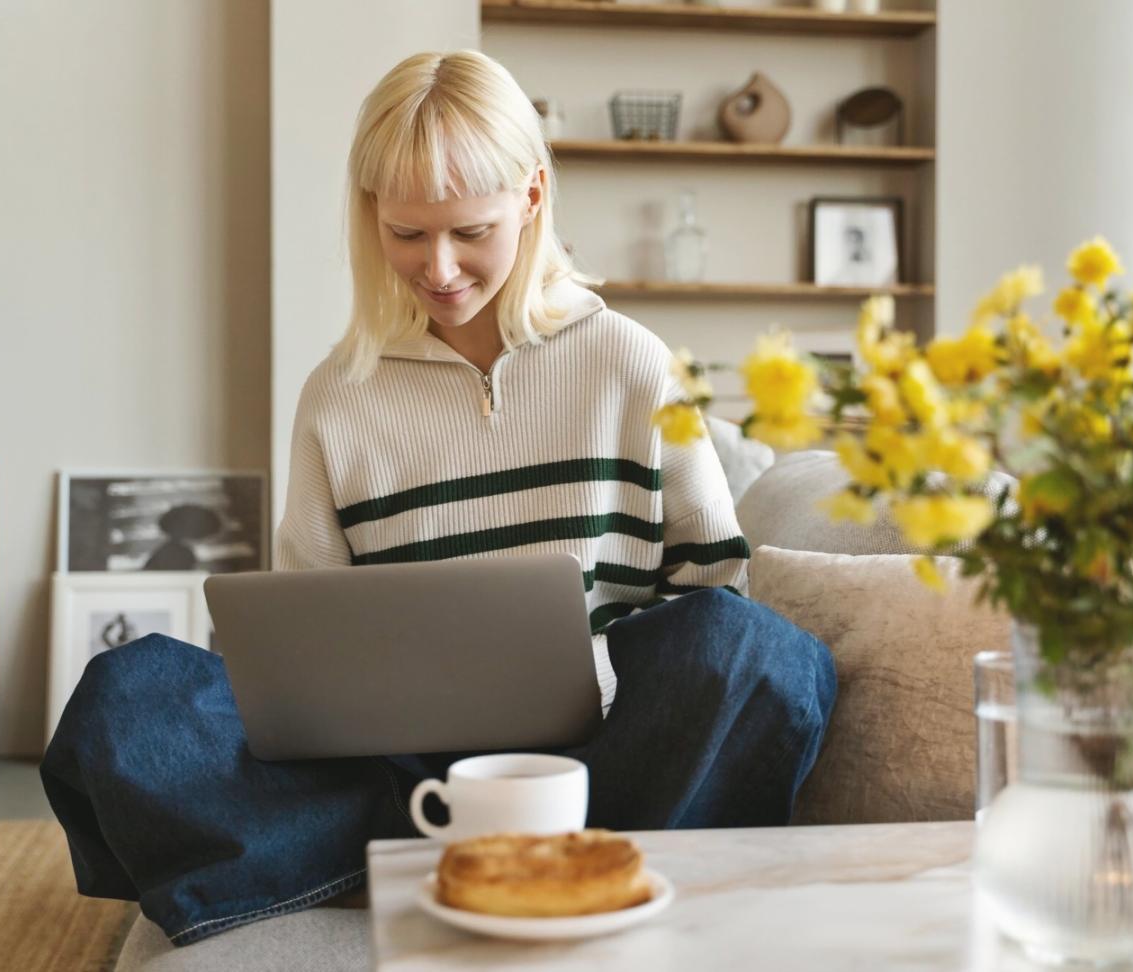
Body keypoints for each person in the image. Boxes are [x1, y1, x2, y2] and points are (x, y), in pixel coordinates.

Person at [41, 50, 836, 946]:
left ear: (532, 196)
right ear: (370, 215)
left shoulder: (633, 364)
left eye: (470, 231)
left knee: (760, 653)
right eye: (408, 234)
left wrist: (602, 676)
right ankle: (469, 854)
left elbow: (709, 596)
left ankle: (531, 856)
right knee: (128, 698)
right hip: (391, 774)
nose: (441, 268)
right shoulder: (338, 396)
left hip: (601, 760)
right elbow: (300, 643)